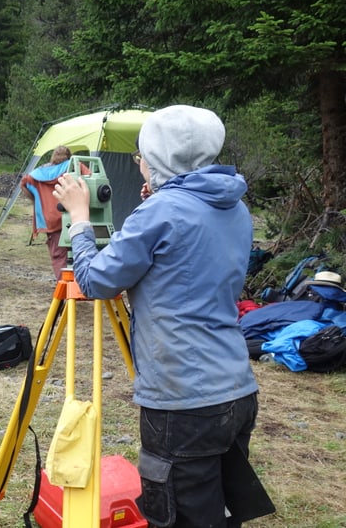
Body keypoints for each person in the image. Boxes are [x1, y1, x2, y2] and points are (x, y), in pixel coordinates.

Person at [52, 105, 269, 527]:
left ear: (158, 158)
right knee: (218, 510)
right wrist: (160, 197)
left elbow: (96, 281)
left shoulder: (162, 212)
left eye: (142, 156)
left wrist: (79, 219)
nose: (140, 163)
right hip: (236, 389)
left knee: (181, 516)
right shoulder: (235, 208)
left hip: (183, 401)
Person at [21, 145, 88, 280]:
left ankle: (64, 289)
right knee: (81, 250)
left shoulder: (38, 174)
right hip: (74, 214)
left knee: (59, 256)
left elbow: (24, 183)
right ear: (68, 156)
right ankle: (81, 286)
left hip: (50, 220)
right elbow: (91, 178)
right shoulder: (76, 166)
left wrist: (36, 199)